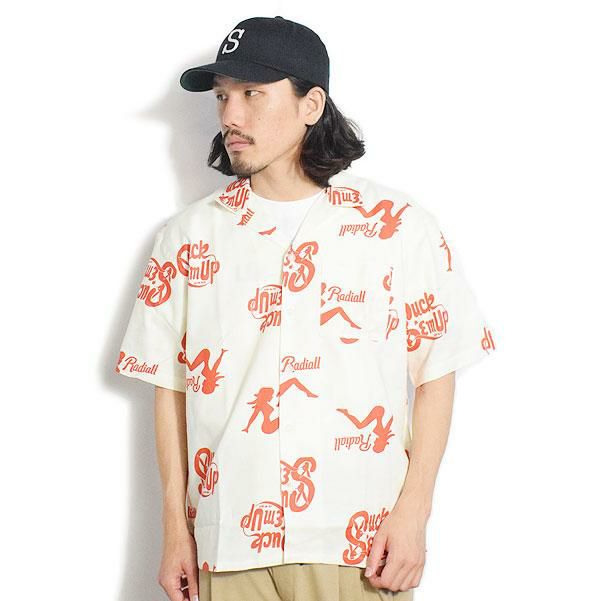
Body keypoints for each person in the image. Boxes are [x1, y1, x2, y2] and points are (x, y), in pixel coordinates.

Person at [115, 15, 497, 601]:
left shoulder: (398, 227)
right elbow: (169, 387)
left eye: (252, 94)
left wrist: (415, 511)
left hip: (360, 541)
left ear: (311, 104)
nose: (230, 115)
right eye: (222, 96)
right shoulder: (188, 238)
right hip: (230, 540)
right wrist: (174, 529)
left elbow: (437, 373)